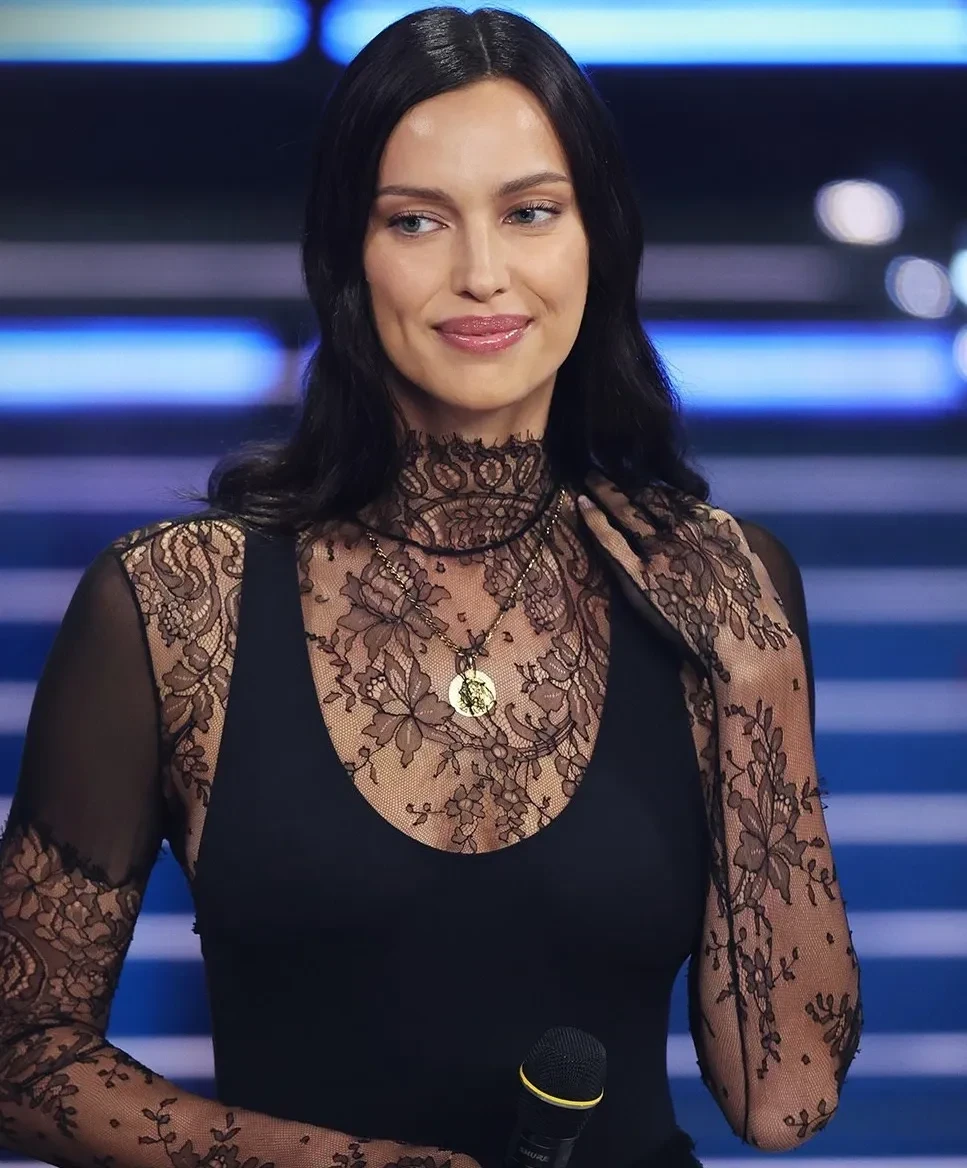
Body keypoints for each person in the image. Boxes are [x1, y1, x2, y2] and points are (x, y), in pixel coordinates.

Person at [0, 7, 863, 1168]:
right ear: (347, 256)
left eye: (529, 212)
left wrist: (758, 689)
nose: (481, 274)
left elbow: (784, 1099)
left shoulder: (726, 582)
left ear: (597, 239)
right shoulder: (175, 602)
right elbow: (21, 1054)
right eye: (416, 220)